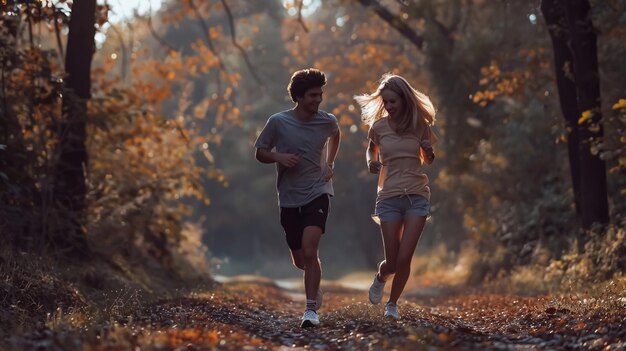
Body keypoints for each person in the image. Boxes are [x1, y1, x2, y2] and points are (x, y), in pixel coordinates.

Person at [254, 68, 341, 328]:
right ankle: (313, 283)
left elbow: (336, 134)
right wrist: (279, 158)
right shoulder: (278, 122)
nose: (318, 99)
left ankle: (310, 309)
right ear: (299, 98)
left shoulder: (327, 121)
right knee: (300, 259)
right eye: (313, 95)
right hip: (289, 196)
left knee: (310, 249)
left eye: (320, 94)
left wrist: (329, 163)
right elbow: (259, 151)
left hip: (318, 190)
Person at [354, 73, 437, 320]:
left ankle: (392, 304)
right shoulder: (378, 127)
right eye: (386, 102)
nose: (389, 107)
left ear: (404, 99)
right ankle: (381, 277)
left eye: (393, 102)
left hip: (417, 195)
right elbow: (371, 149)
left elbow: (429, 160)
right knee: (392, 261)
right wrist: (371, 161)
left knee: (404, 258)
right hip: (388, 197)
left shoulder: (420, 125)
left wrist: (429, 152)